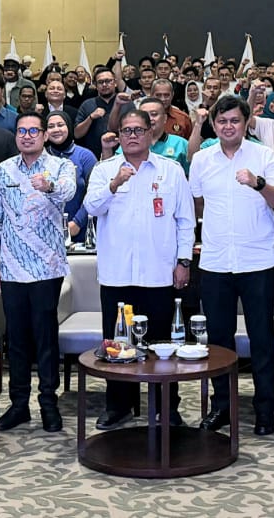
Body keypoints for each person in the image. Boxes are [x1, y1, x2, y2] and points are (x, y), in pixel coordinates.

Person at [83, 108, 196, 431]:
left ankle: (166, 406)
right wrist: (115, 184)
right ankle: (119, 406)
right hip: (117, 275)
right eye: (126, 131)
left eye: (138, 130)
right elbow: (91, 207)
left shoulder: (171, 171)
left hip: (158, 273)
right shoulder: (105, 170)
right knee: (118, 345)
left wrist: (183, 261)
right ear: (119, 136)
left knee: (163, 346)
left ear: (150, 133)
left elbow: (185, 220)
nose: (132, 136)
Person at [189, 97, 274, 437]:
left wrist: (259, 183)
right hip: (216, 262)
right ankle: (223, 407)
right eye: (222, 121)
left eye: (234, 120)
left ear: (246, 123)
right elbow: (197, 203)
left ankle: (265, 410)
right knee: (219, 341)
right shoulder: (202, 160)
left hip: (256, 261)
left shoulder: (265, 156)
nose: (228, 126)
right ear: (213, 125)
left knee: (261, 338)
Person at [0, 112, 77, 434]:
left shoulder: (61, 166)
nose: (27, 136)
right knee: (17, 339)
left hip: (47, 266)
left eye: (33, 131)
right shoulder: (3, 170)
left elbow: (68, 191)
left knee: (46, 337)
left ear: (45, 135)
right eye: (21, 131)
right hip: (10, 267)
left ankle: (49, 403)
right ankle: (19, 404)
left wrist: (49, 186)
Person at [43, 110, 95, 243]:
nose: (56, 129)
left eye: (60, 125)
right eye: (51, 126)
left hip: (79, 231)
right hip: (46, 233)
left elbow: (94, 194)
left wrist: (77, 222)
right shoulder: (41, 158)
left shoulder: (85, 156)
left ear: (69, 127)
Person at [74, 66, 121, 153]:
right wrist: (90, 118)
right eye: (100, 82)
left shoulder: (125, 103)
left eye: (108, 81)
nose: (104, 84)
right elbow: (77, 134)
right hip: (93, 154)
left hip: (122, 153)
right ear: (95, 85)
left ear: (115, 83)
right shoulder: (87, 104)